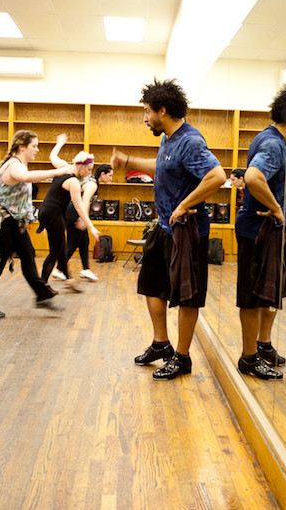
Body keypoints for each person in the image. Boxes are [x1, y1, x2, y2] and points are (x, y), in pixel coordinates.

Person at [112, 78, 226, 380]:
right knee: (152, 286)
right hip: (163, 228)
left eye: (148, 111)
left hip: (187, 232)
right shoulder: (169, 139)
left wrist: (184, 205)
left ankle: (183, 357)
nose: (145, 118)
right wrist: (128, 161)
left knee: (187, 296)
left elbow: (217, 176)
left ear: (162, 110)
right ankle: (161, 344)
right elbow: (162, 166)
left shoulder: (191, 141)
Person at [234, 84, 286, 379]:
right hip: (258, 231)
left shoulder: (276, 142)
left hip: (271, 231)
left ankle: (263, 344)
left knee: (272, 293)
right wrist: (278, 210)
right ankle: (248, 357)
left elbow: (273, 176)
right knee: (254, 297)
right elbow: (253, 177)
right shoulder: (273, 144)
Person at [0, 130, 72, 318]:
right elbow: (27, 178)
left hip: (12, 218)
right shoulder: (13, 165)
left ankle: (42, 295)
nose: (37, 149)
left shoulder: (20, 164)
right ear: (22, 147)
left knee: (28, 253)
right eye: (34, 146)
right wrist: (59, 171)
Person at [37, 136, 100, 291]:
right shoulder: (73, 182)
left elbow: (52, 156)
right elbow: (79, 207)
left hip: (46, 211)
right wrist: (91, 226)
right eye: (89, 169)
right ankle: (42, 285)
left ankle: (69, 279)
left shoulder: (63, 167)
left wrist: (59, 143)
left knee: (61, 247)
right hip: (53, 214)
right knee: (55, 252)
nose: (89, 172)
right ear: (81, 167)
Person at [53, 154, 113, 283]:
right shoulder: (93, 184)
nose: (111, 178)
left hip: (74, 211)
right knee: (72, 243)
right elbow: (84, 200)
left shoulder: (92, 180)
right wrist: (83, 218)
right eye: (110, 175)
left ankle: (86, 269)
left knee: (84, 241)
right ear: (103, 174)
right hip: (74, 213)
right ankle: (58, 270)